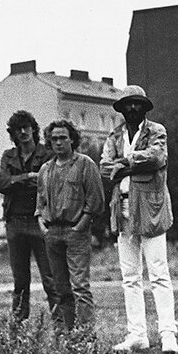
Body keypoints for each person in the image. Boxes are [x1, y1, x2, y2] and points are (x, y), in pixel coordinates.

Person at [100, 85, 178, 353]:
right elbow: (104, 166)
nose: (132, 109)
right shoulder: (114, 134)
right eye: (127, 104)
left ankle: (168, 333)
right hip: (122, 207)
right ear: (121, 108)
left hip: (150, 206)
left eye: (137, 104)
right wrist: (128, 165)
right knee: (130, 276)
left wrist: (124, 163)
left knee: (158, 272)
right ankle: (137, 334)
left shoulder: (156, 131)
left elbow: (157, 157)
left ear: (144, 107)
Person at [35, 120, 104, 333]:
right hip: (52, 232)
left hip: (76, 231)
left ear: (72, 139)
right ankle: (66, 334)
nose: (58, 142)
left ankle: (85, 336)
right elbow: (40, 202)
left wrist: (80, 226)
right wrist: (43, 225)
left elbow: (96, 200)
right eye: (54, 138)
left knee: (80, 287)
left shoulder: (85, 164)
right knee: (60, 289)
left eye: (63, 137)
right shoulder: (45, 169)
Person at [0, 111, 57, 321]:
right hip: (14, 222)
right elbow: (1, 184)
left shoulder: (47, 154)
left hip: (40, 221)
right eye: (17, 129)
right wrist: (28, 177)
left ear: (33, 129)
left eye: (26, 127)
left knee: (50, 279)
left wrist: (17, 181)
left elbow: (46, 183)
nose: (22, 132)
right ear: (12, 133)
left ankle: (62, 327)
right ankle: (18, 328)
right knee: (20, 281)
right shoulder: (8, 156)